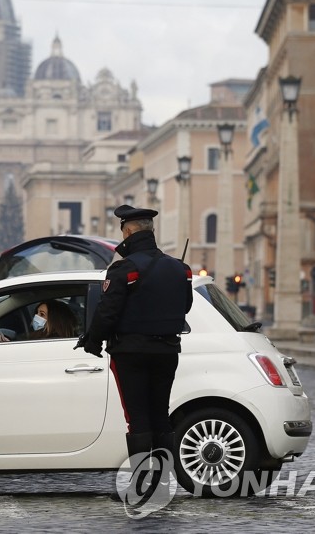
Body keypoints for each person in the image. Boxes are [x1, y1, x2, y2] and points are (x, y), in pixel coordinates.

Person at [77, 204, 192, 496]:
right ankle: (163, 481)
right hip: (167, 351)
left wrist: (92, 341)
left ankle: (141, 483)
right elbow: (186, 306)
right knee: (160, 415)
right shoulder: (180, 268)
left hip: (131, 352)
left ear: (128, 232)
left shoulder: (124, 269)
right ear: (150, 231)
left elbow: (108, 311)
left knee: (137, 417)